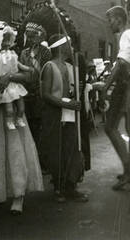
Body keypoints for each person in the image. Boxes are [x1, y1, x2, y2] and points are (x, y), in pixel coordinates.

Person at [0, 21, 43, 214]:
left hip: (11, 106)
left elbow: (28, 76)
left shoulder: (11, 56)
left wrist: (9, 79)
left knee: (15, 149)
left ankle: (18, 195)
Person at [40, 33, 88, 202]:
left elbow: (72, 92)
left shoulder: (70, 67)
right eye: (69, 44)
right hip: (55, 115)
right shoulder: (49, 66)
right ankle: (59, 187)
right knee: (57, 150)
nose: (72, 48)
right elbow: (45, 94)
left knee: (72, 148)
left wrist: (77, 94)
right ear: (61, 47)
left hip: (70, 115)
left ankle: (71, 186)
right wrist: (66, 104)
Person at [101, 6, 130, 190]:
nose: (109, 23)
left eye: (110, 19)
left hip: (125, 87)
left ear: (119, 19)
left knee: (110, 127)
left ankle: (128, 172)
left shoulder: (126, 35)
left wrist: (104, 88)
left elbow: (122, 63)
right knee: (127, 127)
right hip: (126, 85)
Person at [0, 26, 32, 130]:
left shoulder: (13, 54)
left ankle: (19, 118)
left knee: (21, 105)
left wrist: (28, 68)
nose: (7, 44)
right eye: (4, 41)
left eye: (8, 41)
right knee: (9, 107)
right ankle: (9, 120)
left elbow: (19, 65)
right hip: (5, 84)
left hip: (15, 84)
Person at [20, 22, 51, 151]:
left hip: (39, 94)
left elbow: (45, 72)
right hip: (26, 93)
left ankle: (40, 158)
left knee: (39, 127)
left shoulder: (45, 52)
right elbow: (21, 71)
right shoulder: (24, 53)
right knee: (29, 126)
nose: (31, 39)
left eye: (33, 36)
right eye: (29, 36)